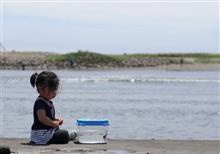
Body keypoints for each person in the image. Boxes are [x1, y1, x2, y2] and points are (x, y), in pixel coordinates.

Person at [30, 71, 75, 145]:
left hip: (45, 133)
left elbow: (47, 117)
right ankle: (70, 135)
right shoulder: (40, 102)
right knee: (64, 134)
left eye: (55, 91)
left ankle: (68, 135)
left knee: (61, 133)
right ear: (41, 89)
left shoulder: (46, 101)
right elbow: (42, 118)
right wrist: (53, 124)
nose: (54, 94)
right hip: (41, 136)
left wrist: (55, 120)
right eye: (52, 91)